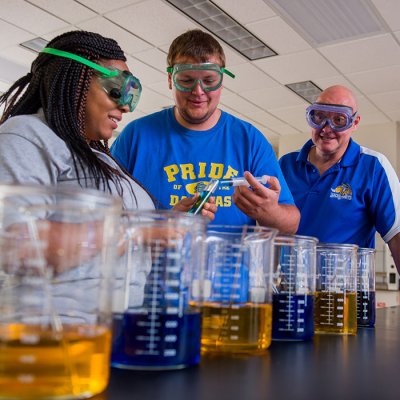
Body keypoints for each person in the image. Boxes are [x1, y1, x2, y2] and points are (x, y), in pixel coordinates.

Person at [0, 30, 216, 220]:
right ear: (77, 80)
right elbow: (13, 241)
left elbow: (127, 242)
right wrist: (145, 234)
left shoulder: (99, 156)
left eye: (131, 93)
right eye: (116, 88)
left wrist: (168, 223)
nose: (126, 107)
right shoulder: (27, 136)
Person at [110, 29, 299, 233]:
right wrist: (164, 225)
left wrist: (269, 211)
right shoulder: (136, 136)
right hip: (157, 264)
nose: (198, 91)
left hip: (228, 263)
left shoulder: (250, 140)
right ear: (170, 79)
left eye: (209, 81)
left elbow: (291, 224)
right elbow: (103, 217)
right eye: (186, 80)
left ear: (221, 82)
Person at [279, 85, 400, 274]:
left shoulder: (373, 167)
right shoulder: (286, 165)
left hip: (345, 295)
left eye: (339, 119)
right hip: (293, 293)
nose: (327, 128)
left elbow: (396, 235)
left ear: (355, 122)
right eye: (319, 117)